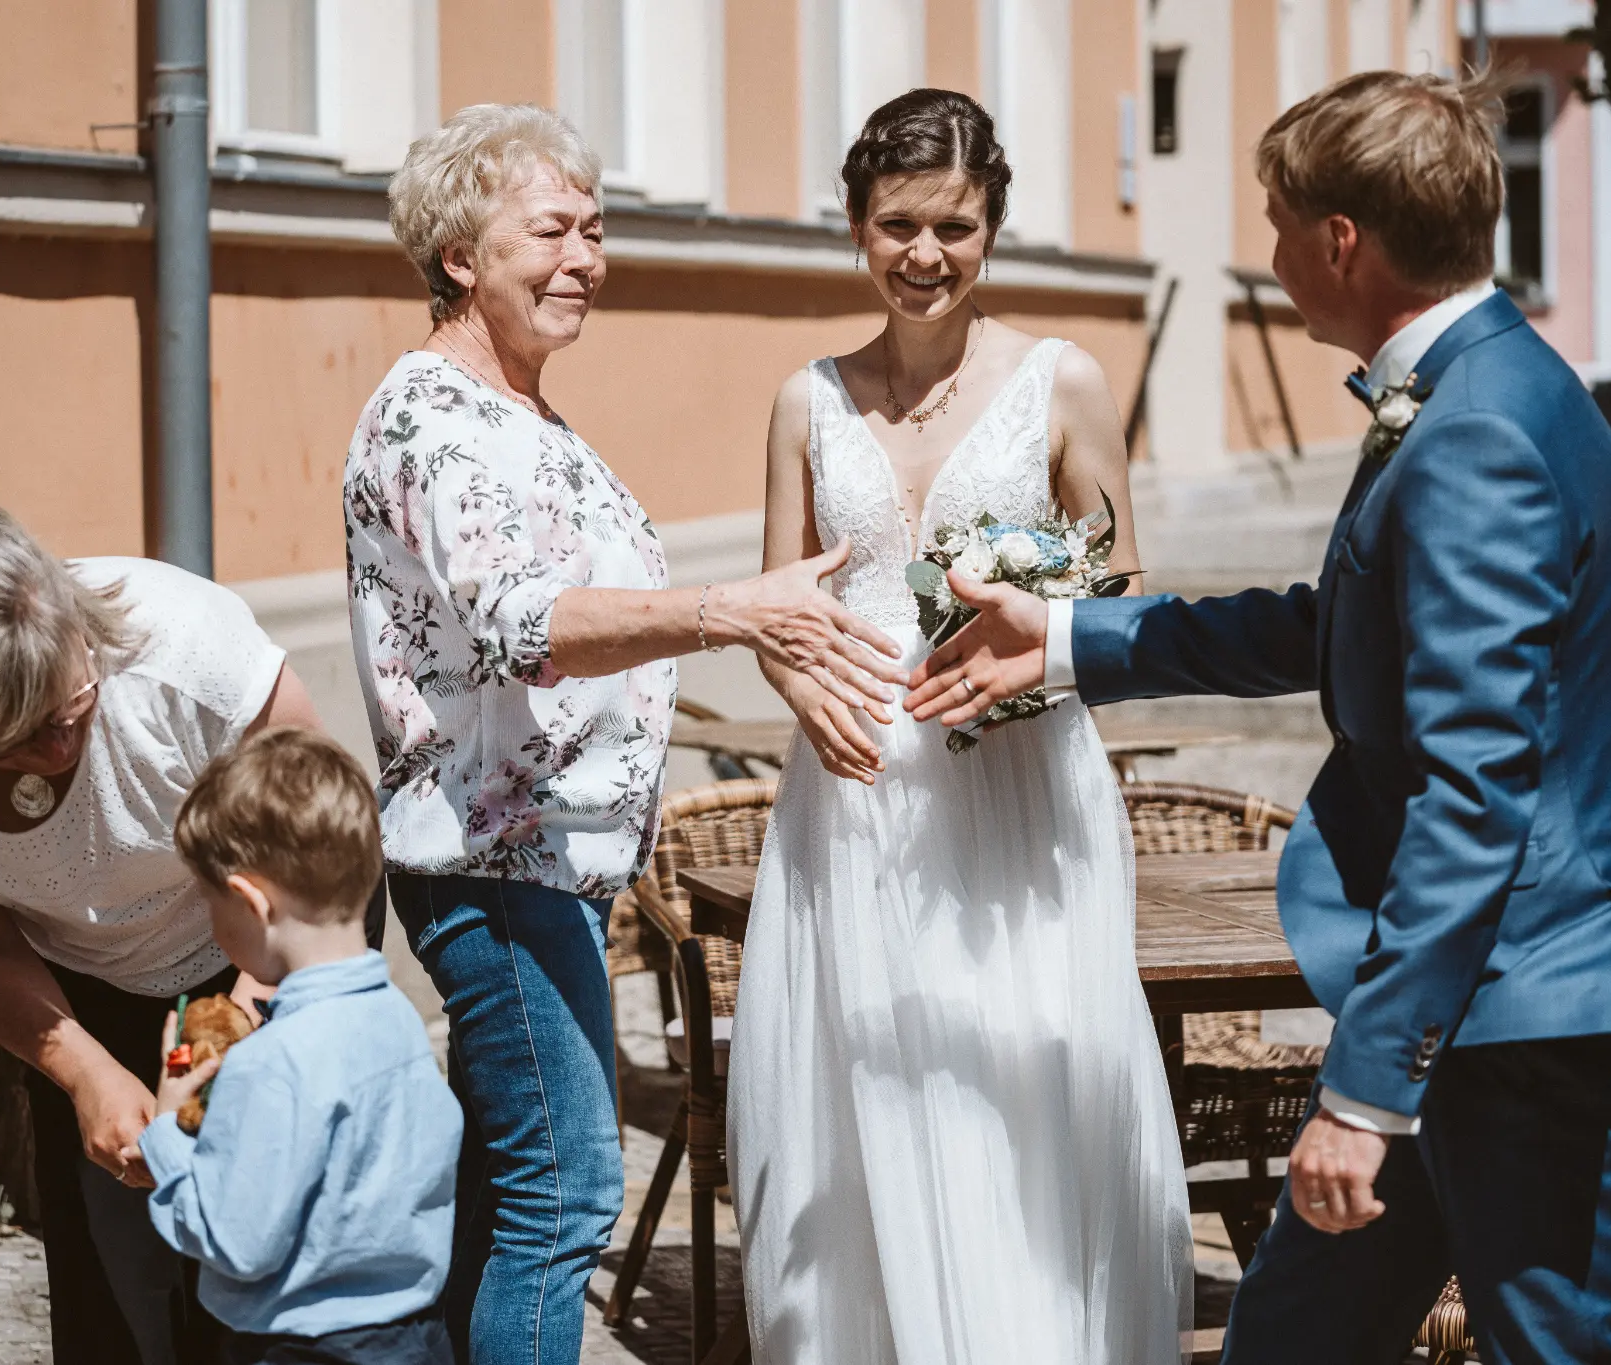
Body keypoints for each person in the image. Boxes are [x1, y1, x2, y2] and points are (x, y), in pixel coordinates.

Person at [905, 70, 1611, 1364]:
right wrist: (1068, 639)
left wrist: (1365, 1092)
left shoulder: (1475, 432)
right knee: (1291, 1340)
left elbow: (1475, 791)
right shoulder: (1481, 388)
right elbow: (1337, 625)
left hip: (1509, 1013)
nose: (1267, 255)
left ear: (1341, 241)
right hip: (1451, 1004)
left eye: (1276, 223)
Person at [352, 103, 905, 1365]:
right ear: (459, 256)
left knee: (508, 1185)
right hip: (494, 866)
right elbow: (518, 619)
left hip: (541, 861)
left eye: (594, 231)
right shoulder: (438, 420)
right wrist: (725, 610)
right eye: (550, 231)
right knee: (565, 1198)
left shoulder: (512, 409)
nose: (585, 259)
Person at [723, 88, 1191, 1363]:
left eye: (953, 226)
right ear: (854, 226)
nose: (924, 254)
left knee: (1014, 1076)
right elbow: (777, 606)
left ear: (992, 226)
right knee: (870, 1083)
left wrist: (1026, 660)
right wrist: (801, 690)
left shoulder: (1061, 380)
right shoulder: (804, 400)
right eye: (896, 225)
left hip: (1018, 786)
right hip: (853, 796)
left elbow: (1120, 590)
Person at [0, 486, 341, 1365]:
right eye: (25, 737)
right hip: (72, 989)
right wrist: (87, 1074)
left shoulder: (185, 652)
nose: (61, 749)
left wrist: (238, 1023)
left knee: (259, 1285)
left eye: (74, 709)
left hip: (266, 943)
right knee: (109, 1300)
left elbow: (321, 853)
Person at [141, 727, 464, 1365]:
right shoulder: (399, 1022)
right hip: (415, 1337)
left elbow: (238, 1241)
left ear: (249, 901)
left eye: (209, 903)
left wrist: (167, 1138)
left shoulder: (270, 1062)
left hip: (302, 1346)